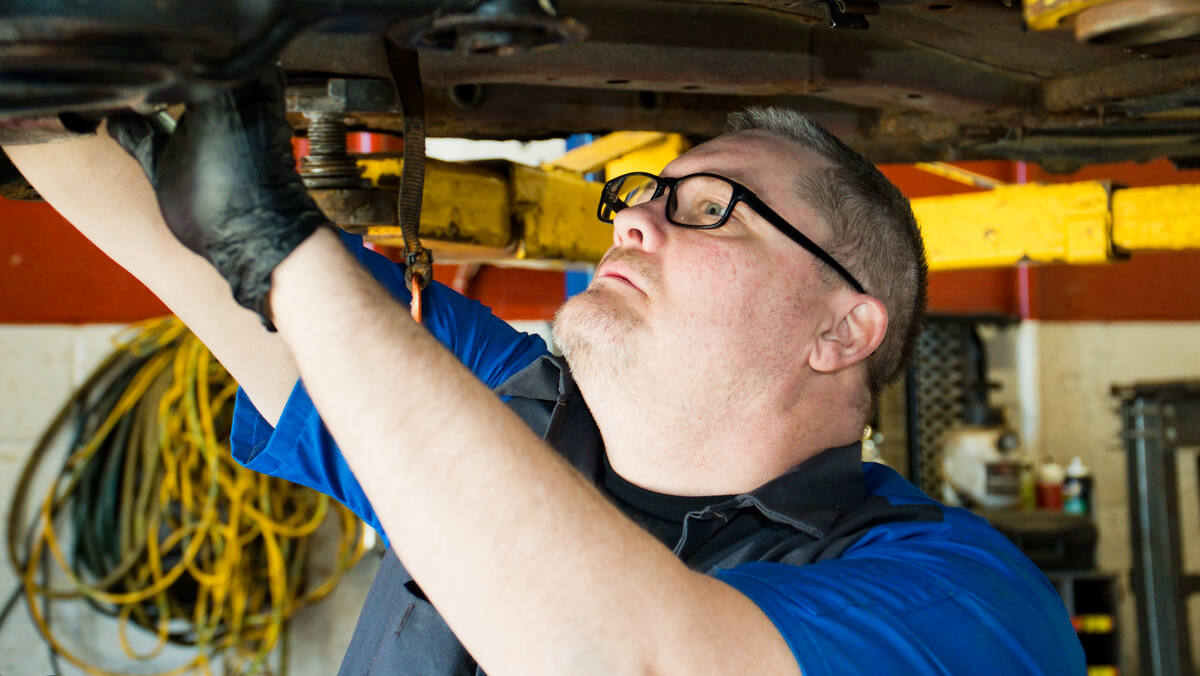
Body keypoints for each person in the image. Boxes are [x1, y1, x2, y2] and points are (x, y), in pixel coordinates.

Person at [5, 71, 1085, 675]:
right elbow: (195, 251)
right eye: (642, 195)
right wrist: (44, 93)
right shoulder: (501, 410)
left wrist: (277, 242)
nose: (638, 218)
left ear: (842, 330)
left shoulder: (966, 605)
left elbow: (636, 659)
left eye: (709, 207)